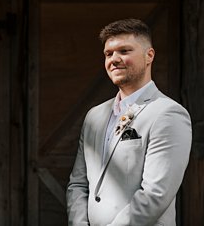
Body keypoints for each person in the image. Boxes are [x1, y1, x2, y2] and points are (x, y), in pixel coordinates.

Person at [66, 19, 192, 226]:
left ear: (149, 55)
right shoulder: (94, 116)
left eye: (124, 51)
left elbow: (156, 194)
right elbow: (78, 183)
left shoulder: (168, 114)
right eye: (108, 54)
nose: (114, 59)